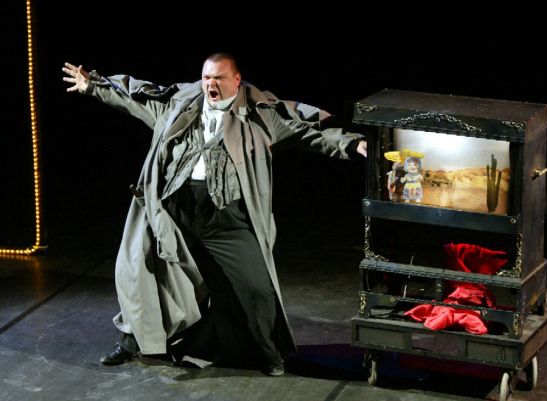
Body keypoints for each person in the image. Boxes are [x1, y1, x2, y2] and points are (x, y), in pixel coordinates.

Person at [62, 53, 367, 376]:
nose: (210, 84)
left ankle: (267, 352)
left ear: (236, 80)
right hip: (175, 213)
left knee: (257, 289)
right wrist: (93, 86)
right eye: (206, 78)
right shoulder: (180, 104)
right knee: (142, 273)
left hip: (226, 220)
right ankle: (132, 341)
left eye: (218, 78)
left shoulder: (260, 113)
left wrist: (351, 144)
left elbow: (309, 129)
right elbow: (138, 97)